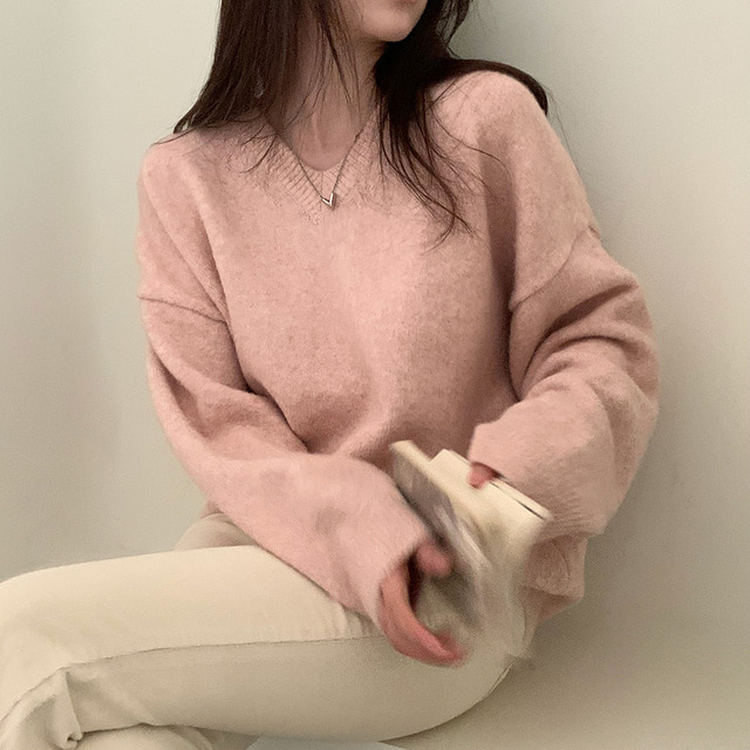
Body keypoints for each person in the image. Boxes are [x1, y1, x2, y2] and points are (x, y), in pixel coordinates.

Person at [0, 0, 660, 747]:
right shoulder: (185, 177)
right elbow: (217, 420)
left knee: (20, 639)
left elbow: (600, 342)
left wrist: (511, 472)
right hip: (259, 541)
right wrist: (348, 522)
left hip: (432, 578)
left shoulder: (483, 121)